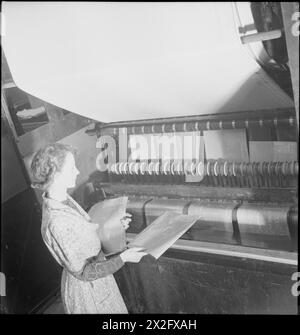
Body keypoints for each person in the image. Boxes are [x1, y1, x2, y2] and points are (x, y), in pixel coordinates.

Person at [30, 143, 147, 314]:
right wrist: (124, 258)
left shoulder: (63, 199)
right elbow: (84, 273)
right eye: (71, 168)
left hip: (98, 283)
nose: (77, 171)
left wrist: (115, 226)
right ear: (55, 175)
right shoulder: (57, 222)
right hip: (88, 293)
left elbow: (84, 236)